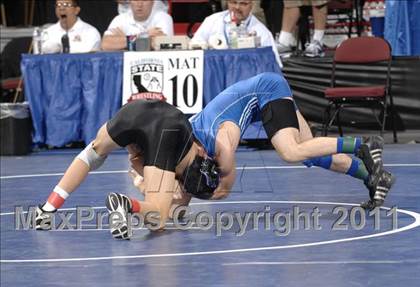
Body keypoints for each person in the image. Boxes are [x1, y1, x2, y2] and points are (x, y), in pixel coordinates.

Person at [112, 73, 395, 240]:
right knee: (312, 153)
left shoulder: (217, 136)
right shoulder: (184, 149)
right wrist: (153, 201)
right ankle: (372, 176)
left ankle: (362, 144)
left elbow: (225, 168)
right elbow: (179, 209)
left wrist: (222, 186)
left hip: (266, 90)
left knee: (290, 151)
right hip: (261, 99)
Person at [35, 100, 220, 239]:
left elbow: (136, 161)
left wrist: (146, 180)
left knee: (92, 154)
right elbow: (140, 166)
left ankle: (47, 209)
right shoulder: (179, 165)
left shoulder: (200, 147)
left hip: (134, 111)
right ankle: (125, 204)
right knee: (158, 219)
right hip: (167, 133)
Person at [191, 0, 282, 67]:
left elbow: (275, 65)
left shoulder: (261, 32)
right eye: (233, 2)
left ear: (251, 5)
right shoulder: (212, 21)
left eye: (243, 3)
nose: (237, 7)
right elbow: (194, 46)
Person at [102, 0, 174, 51]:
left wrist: (124, 41)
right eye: (135, 0)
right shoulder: (120, 19)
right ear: (130, 2)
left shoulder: (163, 18)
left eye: (144, 0)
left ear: (152, 2)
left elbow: (161, 45)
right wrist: (145, 36)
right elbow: (106, 44)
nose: (139, 4)